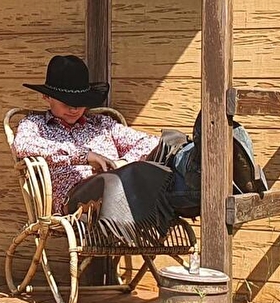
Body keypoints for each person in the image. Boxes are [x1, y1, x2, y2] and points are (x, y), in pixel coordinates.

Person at [11, 55, 193, 243]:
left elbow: (150, 142)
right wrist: (83, 156)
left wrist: (122, 164)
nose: (74, 109)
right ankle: (185, 183)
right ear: (47, 97)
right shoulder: (35, 124)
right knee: (115, 180)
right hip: (75, 199)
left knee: (169, 144)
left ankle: (192, 171)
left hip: (126, 189)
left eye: (80, 103)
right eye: (67, 103)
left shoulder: (101, 124)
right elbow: (23, 146)